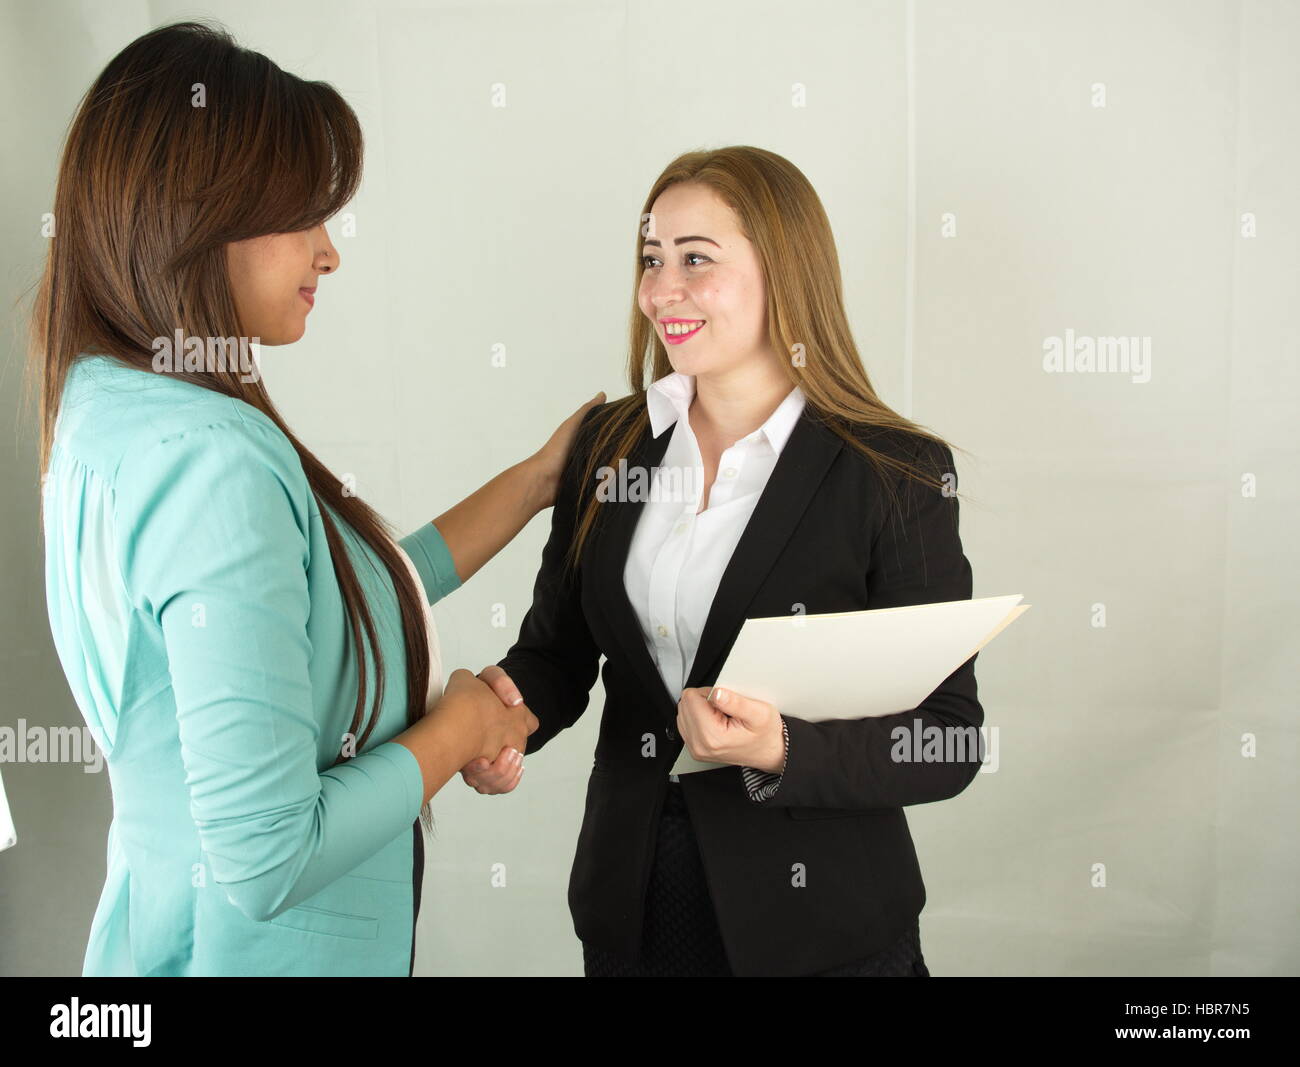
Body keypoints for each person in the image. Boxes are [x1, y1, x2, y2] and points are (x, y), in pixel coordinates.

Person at [32, 20, 598, 976]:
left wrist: (539, 478)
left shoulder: (110, 409)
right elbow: (265, 853)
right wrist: (457, 726)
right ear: (193, 214)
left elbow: (331, 602)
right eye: (303, 216)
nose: (328, 254)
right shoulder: (211, 459)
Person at [469, 146, 984, 977]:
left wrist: (780, 745)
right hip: (633, 915)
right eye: (651, 259)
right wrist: (509, 718)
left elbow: (947, 738)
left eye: (696, 259)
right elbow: (559, 653)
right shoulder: (611, 445)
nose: (661, 289)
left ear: (784, 268)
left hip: (824, 936)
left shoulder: (895, 473)